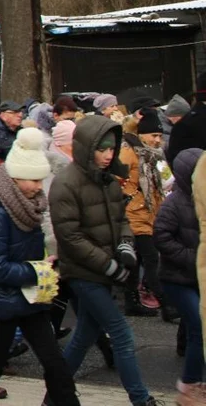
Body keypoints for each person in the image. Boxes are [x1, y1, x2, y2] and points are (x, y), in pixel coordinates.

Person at [0, 128, 80, 406]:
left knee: (55, 363)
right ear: (15, 179)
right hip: (1, 300)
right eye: (34, 180)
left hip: (30, 298)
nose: (40, 186)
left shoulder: (27, 207)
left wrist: (44, 264)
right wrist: (37, 271)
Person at [51, 115, 160, 406]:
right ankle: (141, 400)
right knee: (121, 334)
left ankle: (54, 397)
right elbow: (70, 237)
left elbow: (121, 218)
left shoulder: (109, 181)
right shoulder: (65, 184)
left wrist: (126, 247)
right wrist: (109, 265)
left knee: (84, 335)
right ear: (87, 147)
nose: (109, 154)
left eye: (112, 148)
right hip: (82, 272)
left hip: (104, 268)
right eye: (102, 149)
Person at [154, 148, 204, 399]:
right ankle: (190, 386)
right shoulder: (173, 204)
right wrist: (192, 258)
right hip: (177, 278)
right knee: (198, 325)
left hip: (199, 277)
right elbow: (161, 237)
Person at [120, 110, 169, 318]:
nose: (157, 140)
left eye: (159, 136)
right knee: (151, 258)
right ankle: (167, 304)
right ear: (142, 135)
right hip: (135, 215)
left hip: (150, 214)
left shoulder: (151, 155)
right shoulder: (129, 152)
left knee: (138, 261)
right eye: (153, 136)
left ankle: (132, 301)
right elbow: (117, 180)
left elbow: (162, 182)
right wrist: (133, 196)